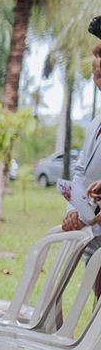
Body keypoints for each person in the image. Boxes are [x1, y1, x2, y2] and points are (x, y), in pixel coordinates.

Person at [61, 40, 101, 248]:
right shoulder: (95, 123)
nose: (96, 56)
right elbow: (81, 173)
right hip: (93, 236)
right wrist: (74, 210)